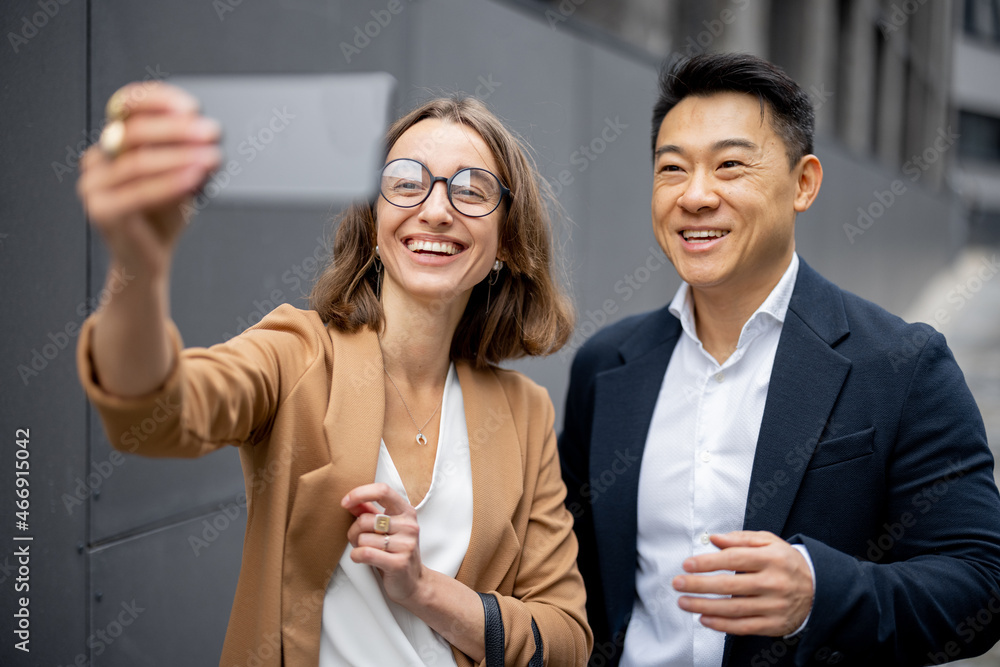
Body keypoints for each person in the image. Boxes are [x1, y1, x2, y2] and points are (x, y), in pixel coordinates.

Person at [76, 82, 592, 666]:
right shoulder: (299, 353)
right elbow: (156, 413)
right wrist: (137, 268)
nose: (437, 209)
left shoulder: (526, 412)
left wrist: (425, 590)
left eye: (472, 191)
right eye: (405, 182)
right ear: (374, 221)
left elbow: (567, 640)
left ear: (506, 241)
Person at [558, 52, 1000, 666]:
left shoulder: (902, 364)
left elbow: (979, 583)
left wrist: (820, 591)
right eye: (671, 169)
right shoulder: (606, 366)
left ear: (803, 183)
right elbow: (573, 572)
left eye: (730, 165)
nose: (696, 195)